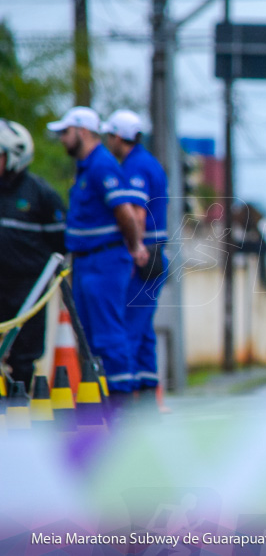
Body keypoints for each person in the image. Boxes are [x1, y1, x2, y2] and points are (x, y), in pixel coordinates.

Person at [47, 106, 149, 409]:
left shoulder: (101, 166)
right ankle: (101, 401)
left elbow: (126, 212)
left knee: (108, 336)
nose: (62, 139)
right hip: (87, 262)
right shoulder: (85, 168)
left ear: (83, 131)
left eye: (66, 132)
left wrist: (134, 247)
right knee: (89, 338)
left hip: (104, 262)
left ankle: (121, 406)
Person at [103, 109, 168, 409]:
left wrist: (133, 248)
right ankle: (146, 395)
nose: (107, 142)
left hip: (144, 257)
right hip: (156, 257)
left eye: (109, 136)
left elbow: (137, 214)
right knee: (142, 332)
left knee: (128, 329)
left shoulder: (135, 167)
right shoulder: (147, 162)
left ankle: (126, 402)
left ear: (118, 137)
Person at [0, 120, 65, 388]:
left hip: (28, 289)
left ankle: (20, 412)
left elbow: (60, 243)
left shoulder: (42, 195)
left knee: (24, 357)